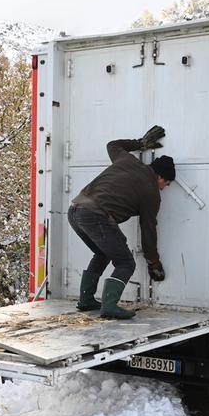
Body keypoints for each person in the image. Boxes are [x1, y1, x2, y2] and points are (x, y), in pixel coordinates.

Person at [67, 126, 176, 319]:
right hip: (96, 215)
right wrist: (153, 261)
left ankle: (86, 301)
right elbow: (148, 229)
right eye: (166, 183)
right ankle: (109, 306)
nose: (164, 188)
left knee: (102, 253)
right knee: (125, 262)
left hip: (75, 210)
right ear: (160, 176)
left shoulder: (127, 160)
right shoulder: (151, 193)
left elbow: (112, 145)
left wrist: (139, 144)